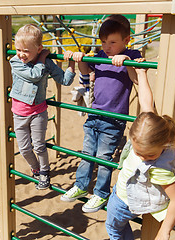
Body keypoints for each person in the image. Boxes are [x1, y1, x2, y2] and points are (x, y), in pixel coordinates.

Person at [60, 14, 144, 212]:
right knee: (88, 154)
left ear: (126, 40)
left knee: (104, 158)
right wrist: (79, 57)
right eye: (104, 42)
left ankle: (100, 194)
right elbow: (85, 70)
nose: (107, 47)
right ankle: (81, 186)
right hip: (94, 114)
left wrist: (126, 61)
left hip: (114, 118)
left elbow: (137, 79)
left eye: (113, 42)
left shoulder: (132, 55)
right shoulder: (99, 55)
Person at [105, 67, 175, 240]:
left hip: (124, 201)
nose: (141, 157)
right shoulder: (148, 130)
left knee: (113, 228)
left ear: (163, 144)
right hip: (129, 194)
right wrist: (141, 74)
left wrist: (164, 231)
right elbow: (146, 103)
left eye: (149, 155)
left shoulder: (160, 168)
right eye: (137, 152)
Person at [9, 24, 76, 190]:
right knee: (24, 149)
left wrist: (71, 64)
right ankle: (36, 168)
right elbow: (34, 75)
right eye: (18, 49)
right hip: (19, 114)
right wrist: (40, 58)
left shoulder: (46, 62)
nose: (21, 54)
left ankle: (45, 171)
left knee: (39, 146)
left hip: (38, 112)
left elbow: (65, 80)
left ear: (39, 48)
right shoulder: (15, 62)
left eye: (26, 51)